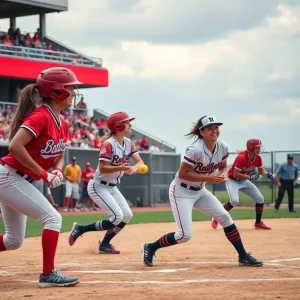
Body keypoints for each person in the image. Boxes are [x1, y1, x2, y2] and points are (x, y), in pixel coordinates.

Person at [0, 67, 84, 287]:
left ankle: (48, 274)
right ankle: (48, 275)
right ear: (57, 91)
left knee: (13, 241)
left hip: (18, 180)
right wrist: (44, 175)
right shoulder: (41, 116)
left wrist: (56, 169)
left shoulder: (62, 122)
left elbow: (60, 154)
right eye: (70, 87)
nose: (74, 92)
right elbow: (15, 146)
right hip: (9, 177)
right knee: (53, 218)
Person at [141, 116, 262, 267]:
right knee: (184, 235)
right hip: (181, 192)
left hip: (200, 190)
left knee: (225, 217)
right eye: (210, 128)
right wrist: (209, 178)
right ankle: (150, 247)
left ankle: (243, 256)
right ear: (202, 132)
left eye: (216, 127)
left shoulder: (222, 147)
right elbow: (182, 174)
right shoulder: (195, 150)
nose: (215, 131)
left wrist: (222, 173)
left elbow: (223, 165)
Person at [68, 111, 144, 254]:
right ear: (118, 126)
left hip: (112, 187)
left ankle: (104, 244)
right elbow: (102, 168)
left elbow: (140, 162)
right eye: (127, 122)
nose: (130, 124)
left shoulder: (129, 143)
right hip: (98, 186)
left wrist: (134, 167)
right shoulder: (109, 144)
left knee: (127, 215)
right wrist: (121, 167)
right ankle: (80, 228)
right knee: (116, 217)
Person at [211, 139, 273, 230]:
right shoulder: (242, 158)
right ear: (251, 148)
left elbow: (261, 171)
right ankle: (217, 217)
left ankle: (258, 222)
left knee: (260, 198)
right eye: (257, 148)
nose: (259, 150)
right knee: (235, 201)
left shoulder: (258, 158)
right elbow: (236, 174)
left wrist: (268, 174)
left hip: (243, 181)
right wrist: (250, 177)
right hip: (232, 180)